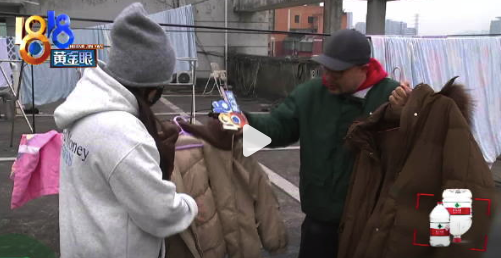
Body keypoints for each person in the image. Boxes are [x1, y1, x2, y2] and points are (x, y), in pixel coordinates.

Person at [244, 29, 411, 258]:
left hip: (370, 226)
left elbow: (414, 150)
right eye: (326, 69)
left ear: (363, 68)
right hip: (319, 224)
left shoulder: (391, 97)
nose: (328, 77)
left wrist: (408, 115)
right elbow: (280, 128)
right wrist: (242, 126)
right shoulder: (312, 93)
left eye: (338, 72)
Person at [54, 3, 197, 258]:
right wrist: (191, 205)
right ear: (150, 87)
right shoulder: (124, 134)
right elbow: (162, 215)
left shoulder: (84, 108)